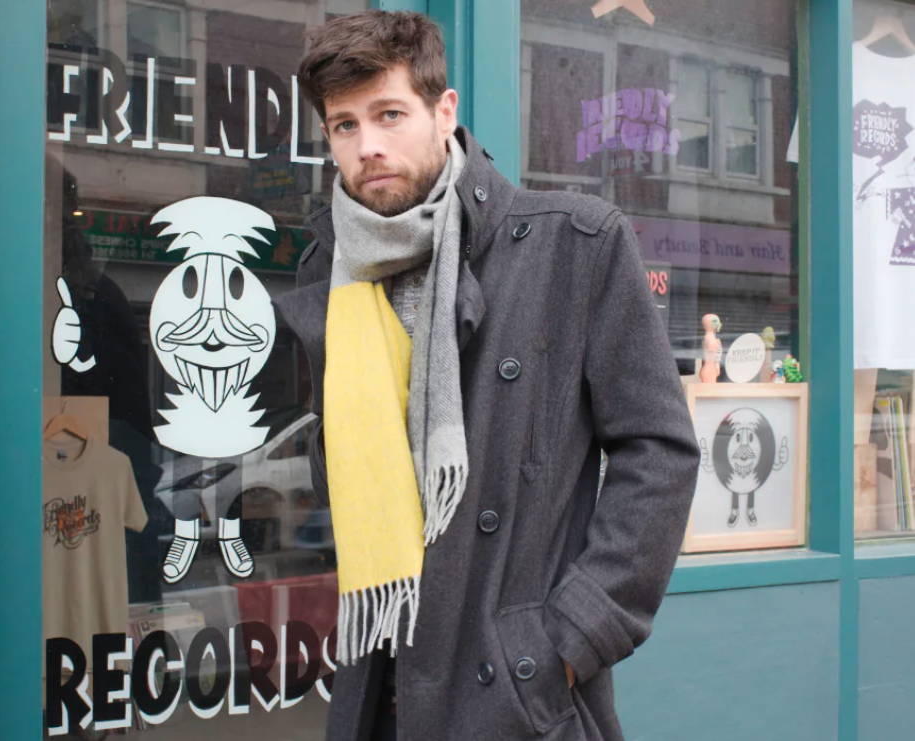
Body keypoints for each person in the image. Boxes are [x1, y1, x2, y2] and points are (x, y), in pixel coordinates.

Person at [275, 10, 700, 741]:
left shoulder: (574, 244)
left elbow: (656, 451)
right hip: (378, 686)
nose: (367, 145)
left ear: (444, 112)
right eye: (344, 125)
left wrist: (565, 641)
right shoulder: (331, 273)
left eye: (388, 113)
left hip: (514, 697)